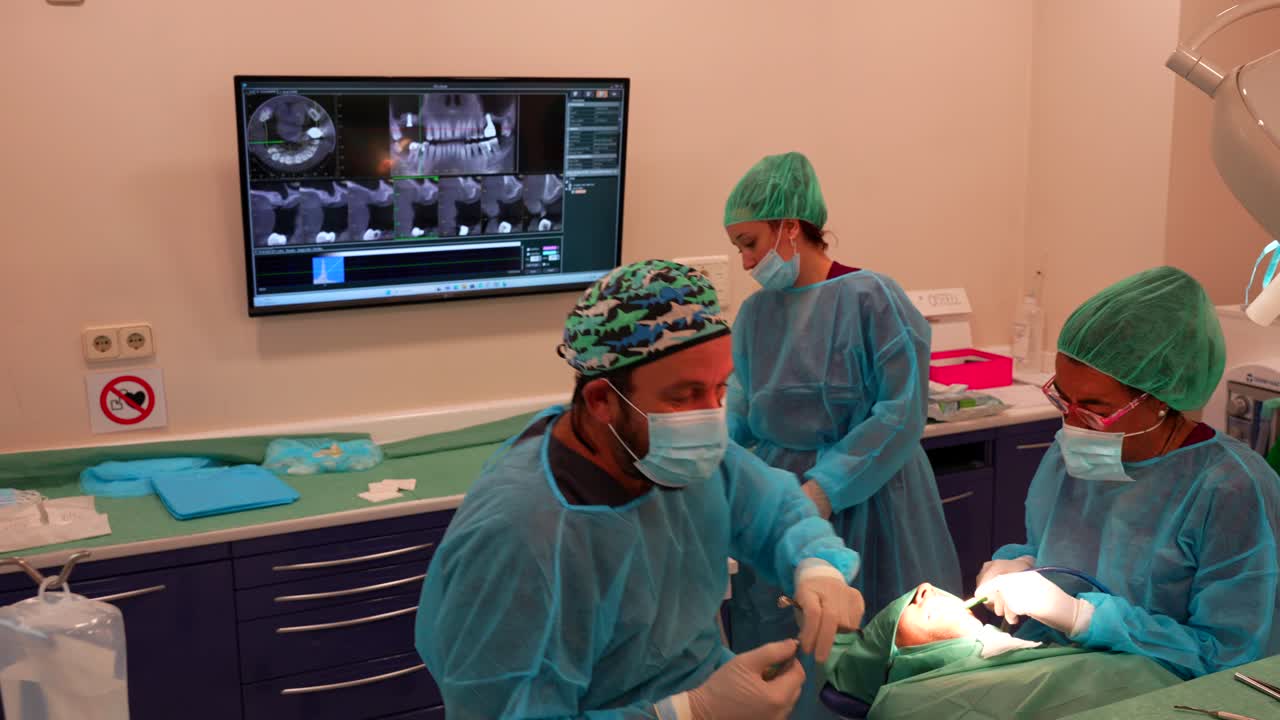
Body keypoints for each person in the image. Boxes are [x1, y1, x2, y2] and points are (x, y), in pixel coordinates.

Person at [416, 259, 867, 720]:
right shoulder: (520, 533)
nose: (709, 417)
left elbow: (775, 510)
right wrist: (690, 712)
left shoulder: (672, 453)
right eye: (683, 396)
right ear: (602, 400)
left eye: (719, 389)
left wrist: (816, 567)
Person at [722, 151, 961, 717]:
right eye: (738, 248)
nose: (747, 261)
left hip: (877, 501)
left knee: (878, 659)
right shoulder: (755, 317)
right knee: (787, 655)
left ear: (790, 226)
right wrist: (718, 483)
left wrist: (823, 490)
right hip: (784, 505)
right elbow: (739, 413)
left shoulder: (872, 298)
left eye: (751, 242)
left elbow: (900, 414)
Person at [975, 266, 1280, 679]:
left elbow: (1230, 656)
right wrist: (1022, 563)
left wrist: (1084, 618)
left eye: (1097, 410)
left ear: (1162, 399)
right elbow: (1054, 545)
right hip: (1058, 673)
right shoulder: (1074, 454)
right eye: (1063, 401)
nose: (1074, 424)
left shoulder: (1232, 489)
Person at [822, 583, 1181, 719]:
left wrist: (1079, 618)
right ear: (901, 662)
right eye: (913, 606)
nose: (925, 588)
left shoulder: (1026, 649)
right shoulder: (915, 703)